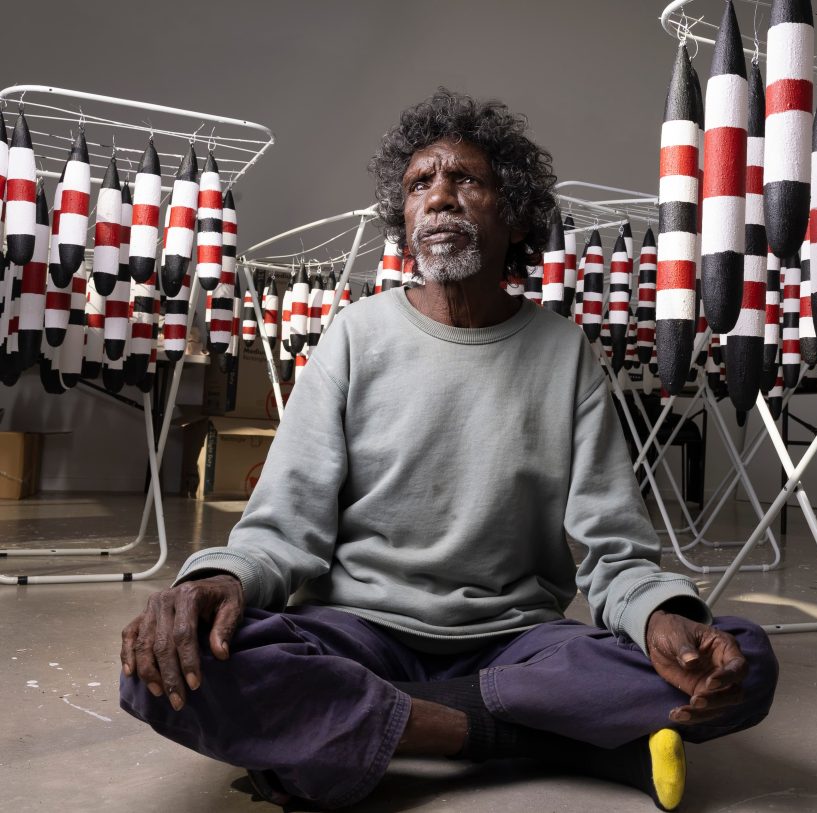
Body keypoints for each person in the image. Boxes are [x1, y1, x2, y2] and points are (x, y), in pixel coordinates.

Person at [119, 90, 777, 811]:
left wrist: (660, 618)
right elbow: (283, 529)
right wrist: (216, 580)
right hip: (355, 632)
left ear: (516, 212)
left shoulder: (564, 352)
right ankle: (535, 736)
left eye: (466, 180)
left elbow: (615, 552)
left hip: (515, 644)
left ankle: (357, 729)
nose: (438, 197)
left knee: (745, 655)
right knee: (167, 666)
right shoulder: (353, 335)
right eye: (418, 185)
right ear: (402, 220)